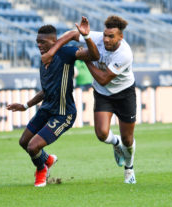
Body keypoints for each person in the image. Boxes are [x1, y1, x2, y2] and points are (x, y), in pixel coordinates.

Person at [42, 15, 137, 184]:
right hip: (103, 94)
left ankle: (129, 169)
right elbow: (72, 34)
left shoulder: (125, 54)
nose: (106, 39)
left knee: (128, 140)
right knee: (101, 134)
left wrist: (86, 59)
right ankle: (115, 143)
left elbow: (103, 78)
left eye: (111, 37)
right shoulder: (98, 38)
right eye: (105, 35)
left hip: (124, 94)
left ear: (121, 37)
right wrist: (52, 51)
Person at [6, 24, 98, 187]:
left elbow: (93, 55)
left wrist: (87, 37)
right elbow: (45, 91)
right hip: (46, 109)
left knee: (33, 147)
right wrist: (25, 105)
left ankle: (41, 169)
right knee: (24, 142)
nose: (39, 46)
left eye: (43, 42)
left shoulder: (66, 52)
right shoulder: (43, 61)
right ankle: (47, 160)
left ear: (54, 40)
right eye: (37, 42)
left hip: (64, 114)